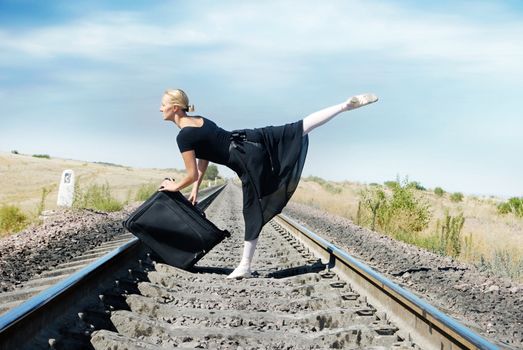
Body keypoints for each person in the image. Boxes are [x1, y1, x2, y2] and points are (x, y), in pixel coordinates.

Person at [158, 89, 378, 278]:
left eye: (163, 105)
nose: (160, 109)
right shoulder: (199, 120)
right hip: (249, 138)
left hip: (245, 159)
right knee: (296, 128)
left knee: (252, 209)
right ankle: (343, 106)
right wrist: (196, 188)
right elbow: (203, 156)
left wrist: (175, 186)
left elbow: (191, 174)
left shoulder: (183, 137)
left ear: (176, 108)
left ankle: (245, 266)